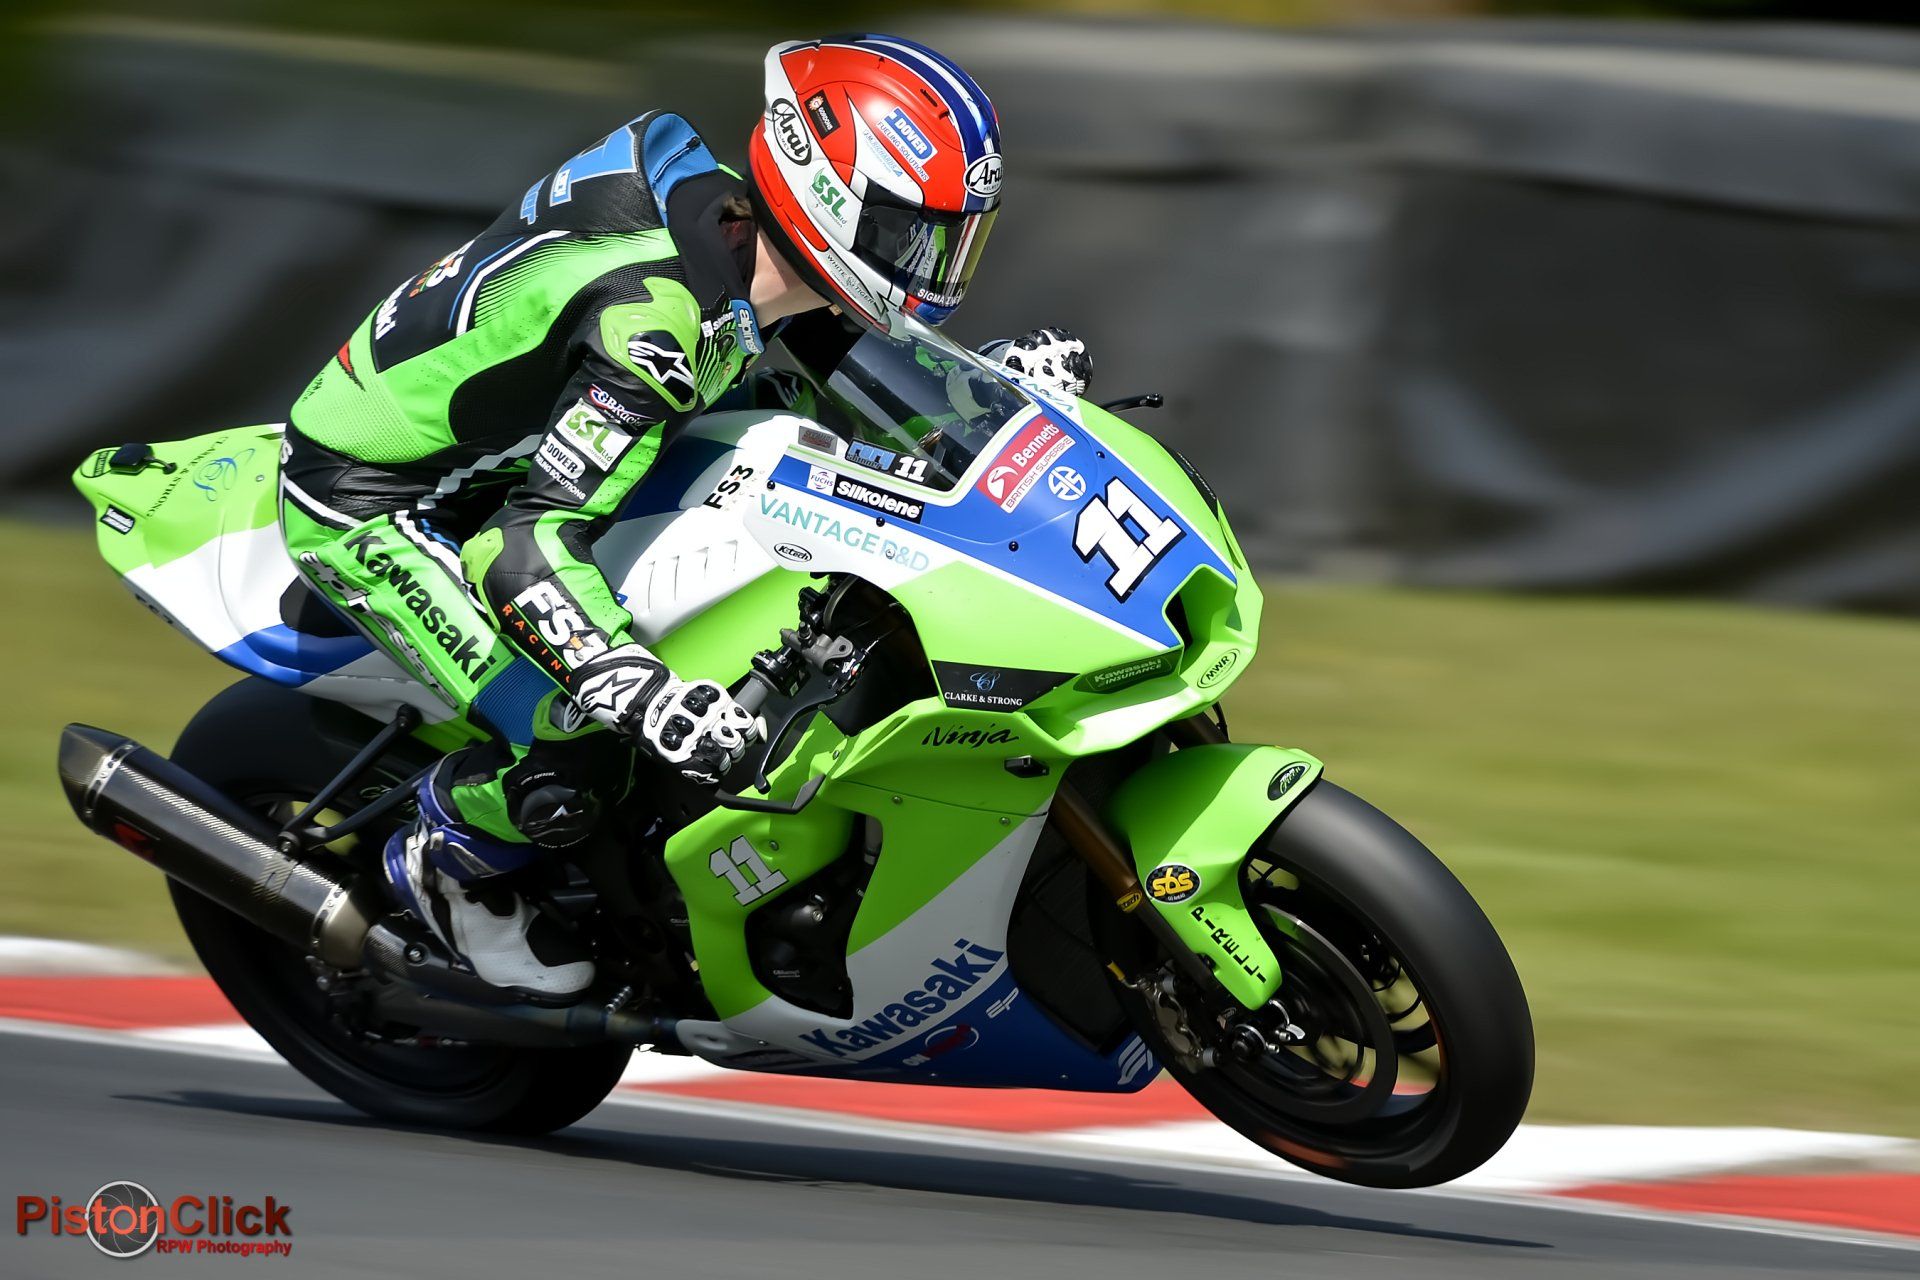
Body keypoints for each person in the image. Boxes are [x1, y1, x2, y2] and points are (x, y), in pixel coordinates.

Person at [279, 35, 1092, 999]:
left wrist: (987, 398)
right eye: (911, 236)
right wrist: (635, 688)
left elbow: (836, 369)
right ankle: (449, 854)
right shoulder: (656, 334)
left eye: (952, 241)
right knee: (582, 738)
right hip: (383, 502)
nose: (932, 268)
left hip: (521, 439)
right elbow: (520, 544)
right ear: (826, 196)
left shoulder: (735, 236)